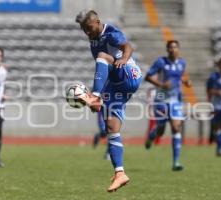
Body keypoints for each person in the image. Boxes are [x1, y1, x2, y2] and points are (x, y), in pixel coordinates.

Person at [75, 10, 142, 192]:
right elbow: (103, 71)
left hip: (128, 73)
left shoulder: (111, 32)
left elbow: (127, 46)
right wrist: (99, 101)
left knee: (102, 57)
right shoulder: (93, 39)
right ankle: (120, 173)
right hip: (116, 83)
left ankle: (94, 96)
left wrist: (125, 59)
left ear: (97, 21)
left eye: (88, 28)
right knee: (111, 128)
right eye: (84, 30)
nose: (87, 33)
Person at [144, 40, 191, 171]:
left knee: (176, 128)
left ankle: (176, 162)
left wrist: (186, 82)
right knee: (161, 130)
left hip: (175, 100)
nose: (172, 50)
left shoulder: (182, 63)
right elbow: (147, 77)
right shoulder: (161, 62)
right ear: (167, 50)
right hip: (161, 99)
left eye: (174, 47)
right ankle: (152, 135)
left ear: (178, 49)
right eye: (170, 48)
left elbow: (179, 78)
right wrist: (161, 85)